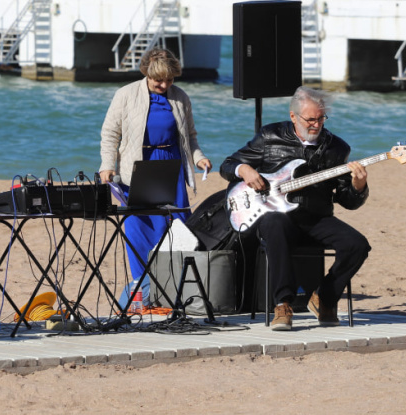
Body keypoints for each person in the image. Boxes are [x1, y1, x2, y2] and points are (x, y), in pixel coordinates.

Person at [219, 86, 371, 331]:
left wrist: (358, 185)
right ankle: (283, 304)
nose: (316, 125)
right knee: (275, 224)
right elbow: (228, 164)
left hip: (316, 217)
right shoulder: (270, 136)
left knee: (357, 244)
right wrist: (244, 170)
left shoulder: (337, 148)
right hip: (274, 214)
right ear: (293, 116)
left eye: (321, 119)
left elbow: (348, 201)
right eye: (310, 119)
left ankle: (323, 297)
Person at [99, 48, 212, 297]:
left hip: (171, 166)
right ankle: (143, 287)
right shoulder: (126, 95)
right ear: (146, 74)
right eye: (158, 80)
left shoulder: (180, 97)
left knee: (176, 226)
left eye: (170, 79)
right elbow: (110, 134)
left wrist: (199, 158)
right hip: (138, 167)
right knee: (141, 226)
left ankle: (177, 285)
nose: (164, 84)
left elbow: (190, 137)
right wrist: (107, 165)